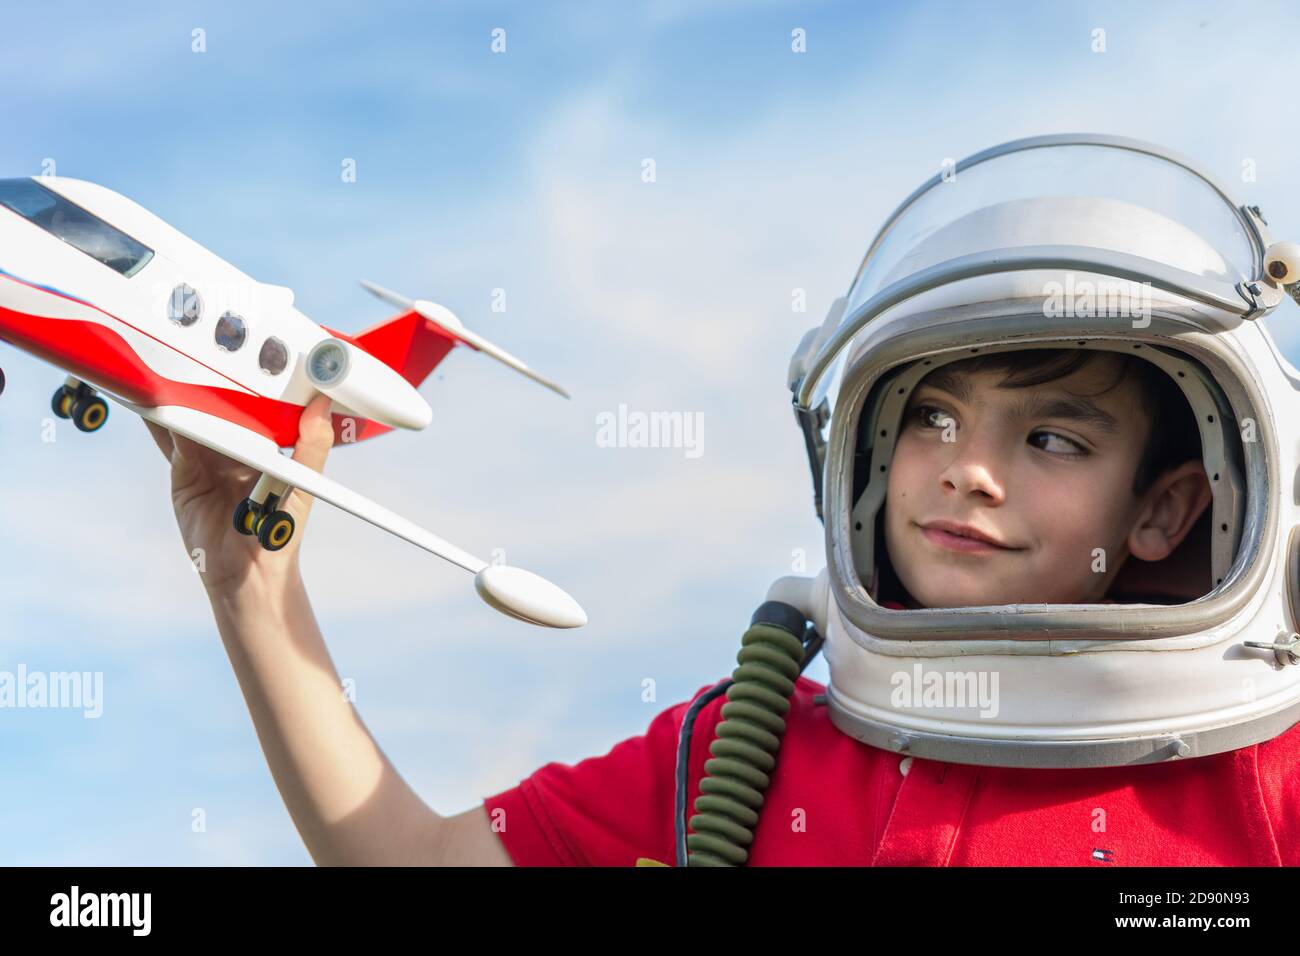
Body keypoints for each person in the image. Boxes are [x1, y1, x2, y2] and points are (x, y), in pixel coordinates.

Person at [149, 134, 1300, 866]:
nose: (968, 469)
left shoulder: (1264, 773)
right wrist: (253, 585)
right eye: (930, 417)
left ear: (1162, 511)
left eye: (1051, 434)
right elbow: (409, 863)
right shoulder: (731, 757)